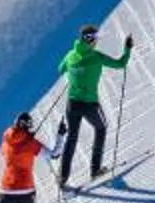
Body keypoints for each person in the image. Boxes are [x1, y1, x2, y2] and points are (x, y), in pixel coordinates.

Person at [55, 23, 134, 186]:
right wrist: (127, 49)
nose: (97, 41)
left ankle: (62, 177)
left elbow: (60, 69)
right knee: (101, 128)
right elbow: (120, 64)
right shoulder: (96, 57)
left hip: (72, 103)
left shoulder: (70, 55)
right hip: (90, 104)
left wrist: (75, 74)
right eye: (96, 38)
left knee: (72, 137)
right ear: (89, 39)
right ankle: (95, 169)